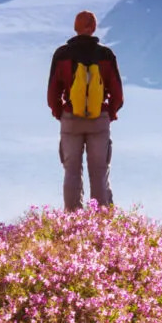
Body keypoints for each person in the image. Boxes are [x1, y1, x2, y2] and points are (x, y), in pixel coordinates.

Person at [47, 11, 123, 210]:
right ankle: (99, 221)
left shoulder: (62, 54)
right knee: (99, 172)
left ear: (75, 27)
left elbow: (52, 93)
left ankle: (73, 220)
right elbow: (117, 94)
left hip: (71, 119)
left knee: (71, 171)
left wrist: (61, 114)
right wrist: (109, 114)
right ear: (94, 28)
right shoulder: (105, 55)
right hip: (99, 119)